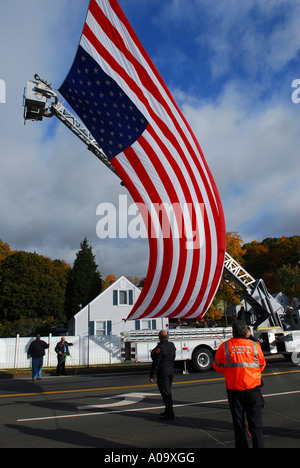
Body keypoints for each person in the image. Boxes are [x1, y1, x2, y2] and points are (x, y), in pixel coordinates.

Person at [213, 320, 266, 448]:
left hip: (234, 390)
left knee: (239, 425)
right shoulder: (254, 346)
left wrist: (230, 371)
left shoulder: (225, 346)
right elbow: (262, 365)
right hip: (253, 389)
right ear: (246, 333)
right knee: (256, 426)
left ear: (233, 332)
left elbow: (217, 366)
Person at [150, 330, 176, 420]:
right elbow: (173, 357)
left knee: (166, 393)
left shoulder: (159, 348)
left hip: (163, 371)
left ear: (159, 337)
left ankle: (170, 413)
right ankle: (167, 410)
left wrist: (152, 374)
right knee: (167, 390)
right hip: (171, 370)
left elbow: (156, 362)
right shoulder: (171, 345)